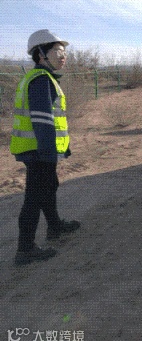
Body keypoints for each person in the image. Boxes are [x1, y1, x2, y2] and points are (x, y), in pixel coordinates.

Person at [10, 29, 81, 266]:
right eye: (58, 51)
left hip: (37, 149)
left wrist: (57, 150)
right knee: (35, 197)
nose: (63, 56)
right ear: (41, 54)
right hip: (38, 150)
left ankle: (54, 226)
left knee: (49, 186)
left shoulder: (42, 78)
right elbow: (43, 122)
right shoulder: (41, 80)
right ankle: (25, 249)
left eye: (64, 52)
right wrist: (49, 154)